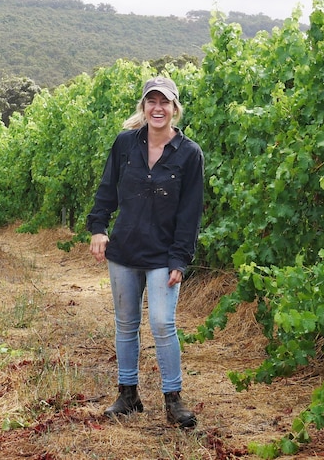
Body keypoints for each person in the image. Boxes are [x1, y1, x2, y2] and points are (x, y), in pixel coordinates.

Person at [86, 76, 204, 428]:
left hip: (164, 254)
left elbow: (190, 213)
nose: (157, 108)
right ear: (143, 106)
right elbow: (107, 189)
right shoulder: (125, 145)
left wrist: (180, 258)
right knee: (125, 324)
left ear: (174, 108)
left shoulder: (189, 154)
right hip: (124, 250)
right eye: (151, 101)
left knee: (162, 322)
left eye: (164, 102)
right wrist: (98, 228)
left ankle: (173, 399)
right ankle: (128, 395)